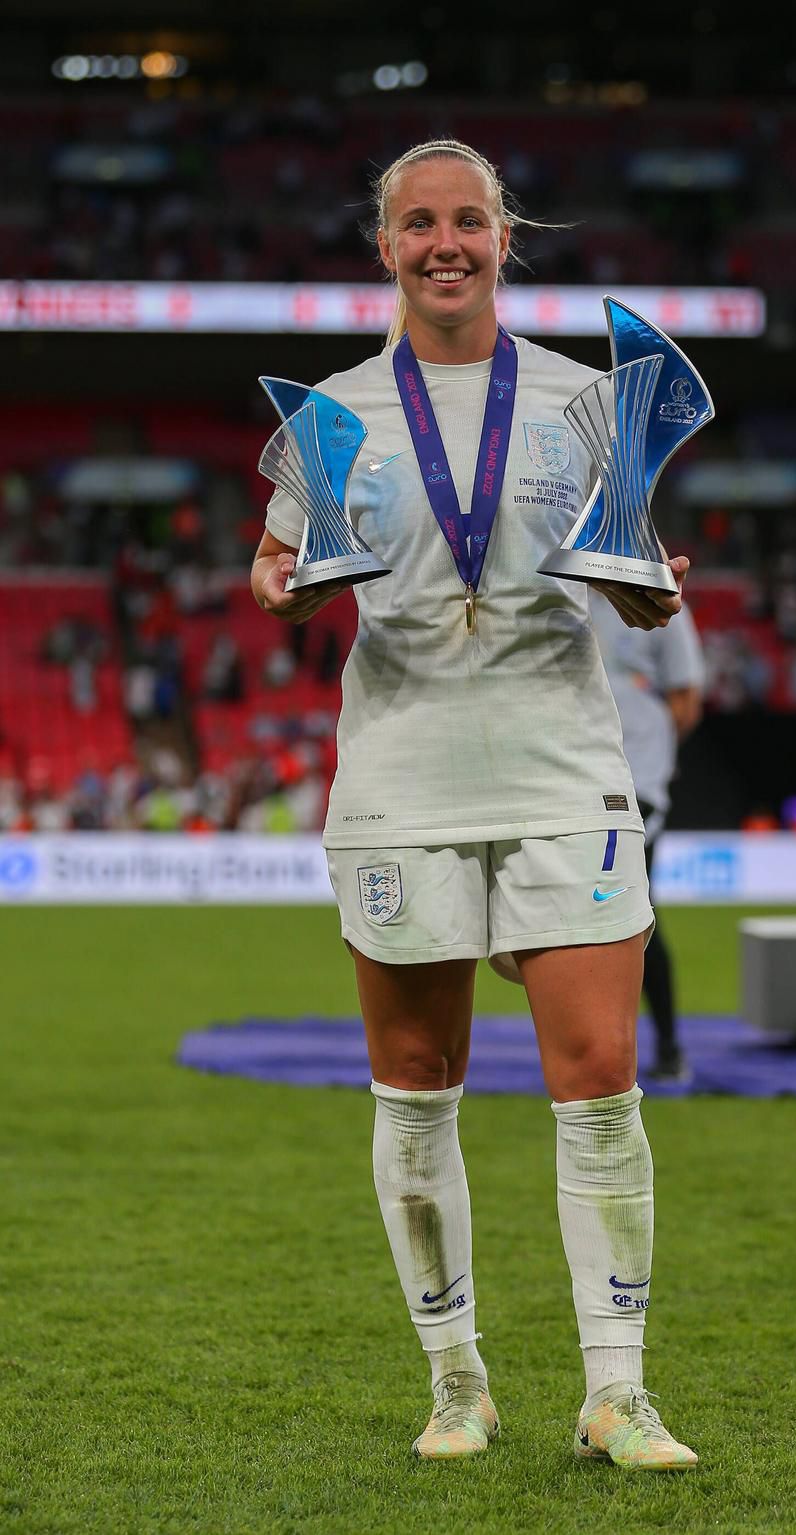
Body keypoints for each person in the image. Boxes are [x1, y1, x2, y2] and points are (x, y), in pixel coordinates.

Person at [250, 139, 698, 1471]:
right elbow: (275, 557)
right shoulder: (329, 414)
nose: (446, 242)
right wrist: (281, 583)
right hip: (401, 774)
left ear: (508, 238)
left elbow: (637, 565)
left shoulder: (586, 401)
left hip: (567, 760)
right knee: (418, 1090)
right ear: (384, 247)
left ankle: (617, 1392)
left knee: (600, 1081)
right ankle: (458, 1383)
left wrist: (652, 591)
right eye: (419, 224)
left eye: (470, 221)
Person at [590, 590, 704, 1079]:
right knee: (591, 911)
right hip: (572, 765)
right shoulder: (557, 583)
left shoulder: (650, 587)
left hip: (634, 771)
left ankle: (664, 1047)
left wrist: (650, 747)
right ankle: (601, 1046)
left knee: (629, 906)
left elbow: (686, 695)